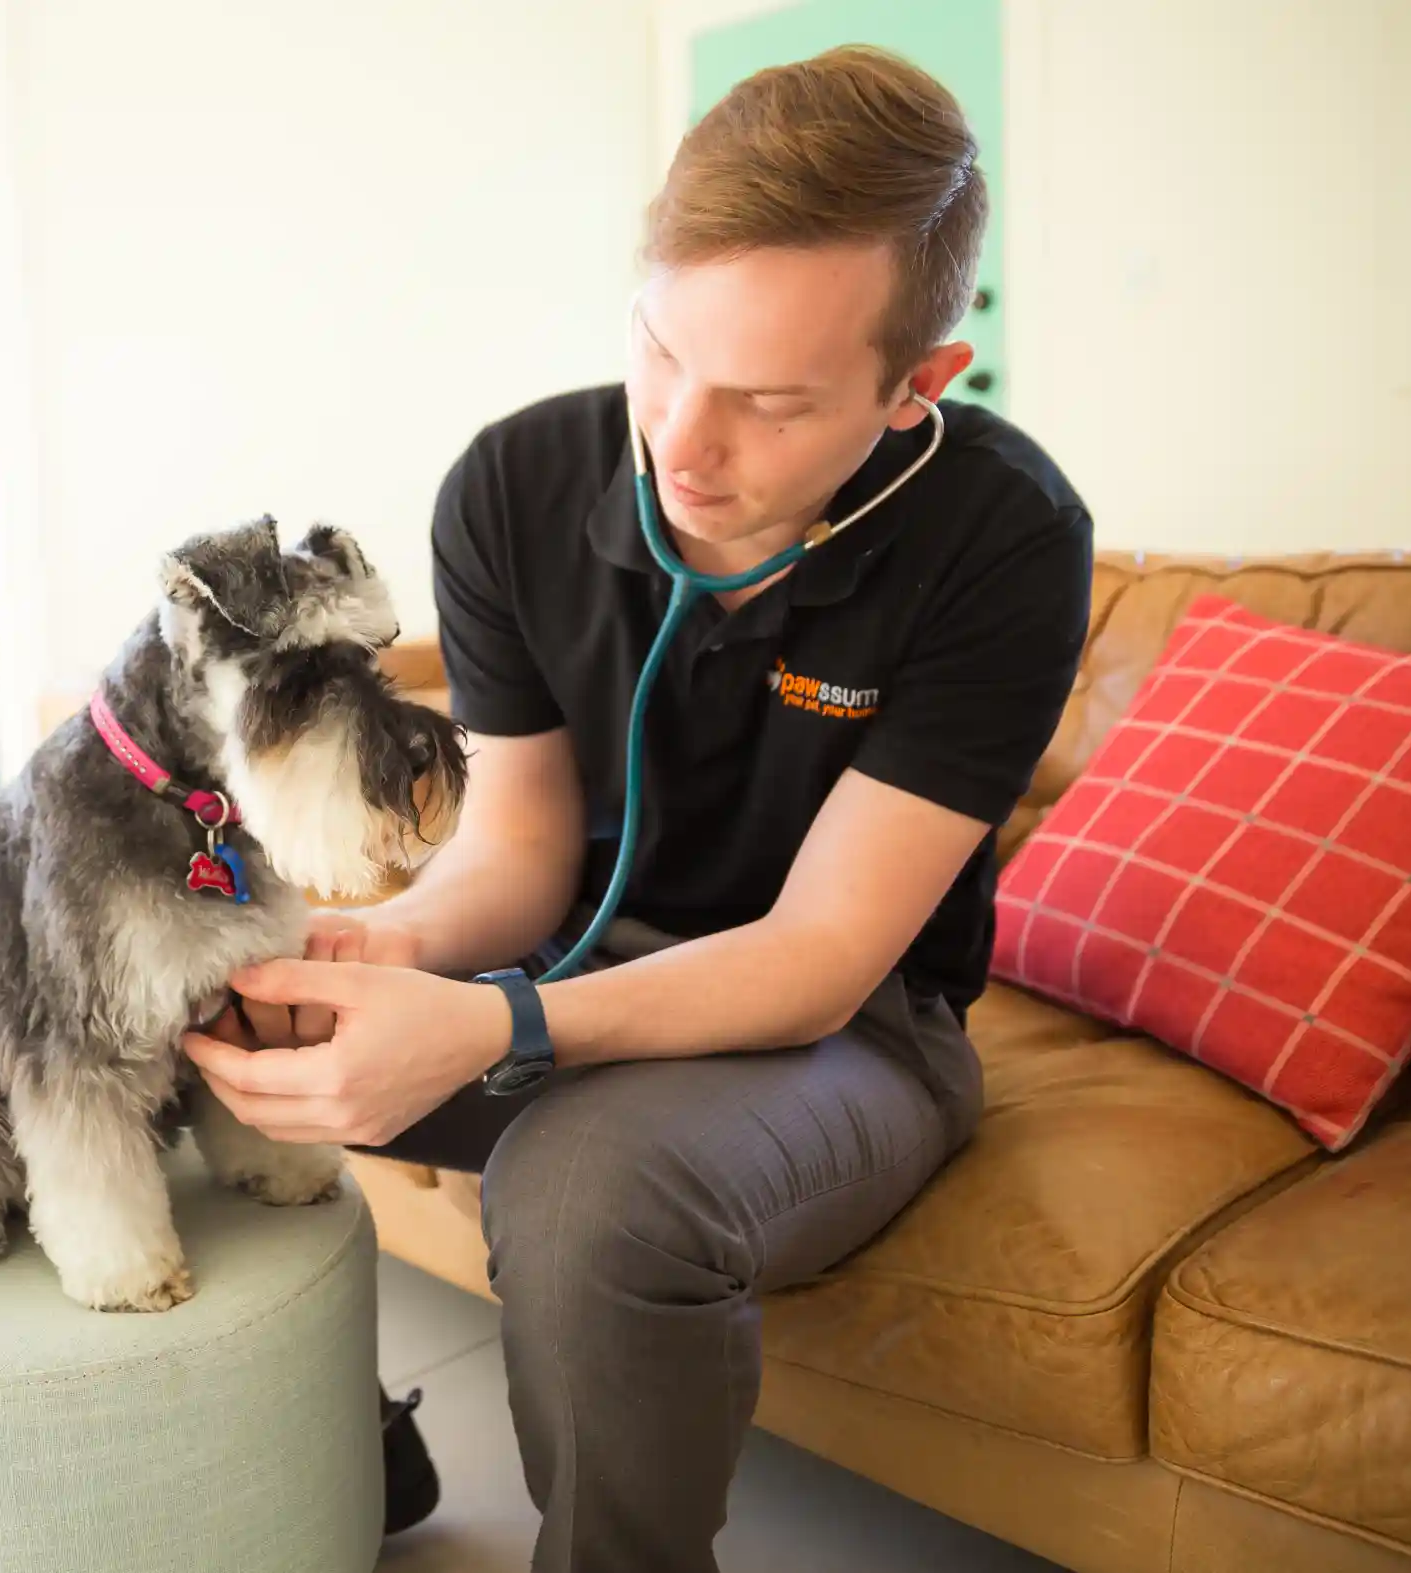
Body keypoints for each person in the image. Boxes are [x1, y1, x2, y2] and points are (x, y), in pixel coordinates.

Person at [184, 43, 1093, 1573]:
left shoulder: (1003, 535)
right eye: (663, 353)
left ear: (916, 386)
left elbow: (819, 953)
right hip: (579, 960)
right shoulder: (513, 488)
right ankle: (354, 1447)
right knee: (204, 1031)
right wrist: (392, 950)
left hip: (845, 1029)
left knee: (588, 1190)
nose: (682, 442)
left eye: (773, 402)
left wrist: (501, 1029)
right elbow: (526, 850)